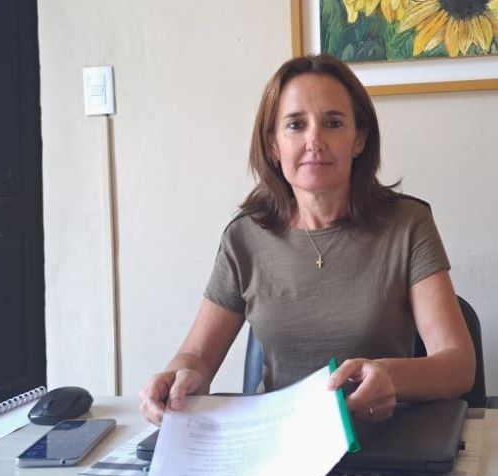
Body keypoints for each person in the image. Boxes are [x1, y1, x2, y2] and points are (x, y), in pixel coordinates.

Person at [139, 54, 475, 426]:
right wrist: (179, 378)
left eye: (333, 123)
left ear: (359, 139)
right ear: (273, 144)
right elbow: (198, 357)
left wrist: (390, 377)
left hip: (381, 439)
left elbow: (458, 365)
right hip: (276, 441)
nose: (315, 139)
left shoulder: (408, 224)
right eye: (296, 125)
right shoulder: (244, 238)